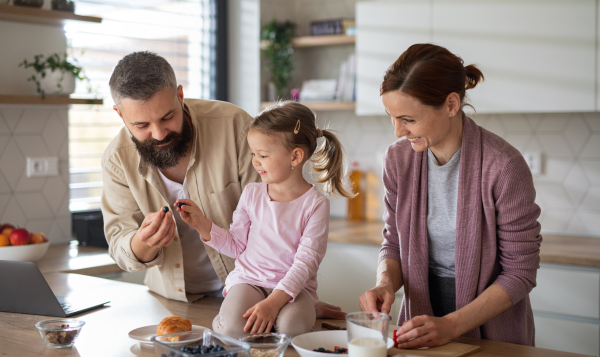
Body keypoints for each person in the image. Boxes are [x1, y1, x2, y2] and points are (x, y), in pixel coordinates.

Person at [101, 52, 345, 319]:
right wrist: (143, 242)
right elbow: (119, 243)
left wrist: (295, 301)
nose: (159, 134)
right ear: (120, 115)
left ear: (180, 95)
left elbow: (278, 232)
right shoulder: (116, 159)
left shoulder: (234, 126)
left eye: (167, 117)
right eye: (141, 125)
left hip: (256, 293)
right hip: (173, 300)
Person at [359, 44, 542, 348]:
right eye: (392, 117)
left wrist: (451, 325)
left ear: (451, 105)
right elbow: (393, 242)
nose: (398, 131)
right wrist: (385, 283)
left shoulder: (504, 167)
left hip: (491, 331)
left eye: (409, 119)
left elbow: (520, 272)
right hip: (418, 321)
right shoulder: (397, 161)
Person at [174, 101, 354, 339]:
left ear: (295, 156)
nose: (255, 161)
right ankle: (291, 313)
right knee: (233, 330)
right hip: (250, 281)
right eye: (253, 154)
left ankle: (306, 308)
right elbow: (237, 245)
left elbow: (306, 263)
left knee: (292, 330)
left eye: (263, 155)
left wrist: (275, 303)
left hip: (294, 289)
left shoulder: (316, 205)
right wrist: (202, 225)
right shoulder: (252, 193)